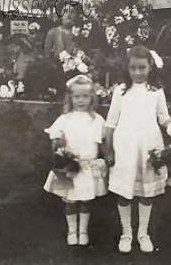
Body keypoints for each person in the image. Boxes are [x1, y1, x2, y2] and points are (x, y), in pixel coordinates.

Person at [104, 45, 171, 253]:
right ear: (127, 68)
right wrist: (108, 148)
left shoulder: (156, 91)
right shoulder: (120, 91)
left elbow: (164, 117)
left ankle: (143, 233)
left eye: (142, 68)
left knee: (146, 192)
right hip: (125, 147)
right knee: (124, 193)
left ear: (150, 66)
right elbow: (111, 122)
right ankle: (126, 233)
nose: (138, 72)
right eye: (133, 68)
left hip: (149, 147)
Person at [43, 75, 108, 246]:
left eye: (85, 96)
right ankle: (72, 230)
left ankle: (83, 231)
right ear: (70, 97)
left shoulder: (97, 120)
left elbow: (103, 144)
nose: (81, 100)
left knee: (86, 200)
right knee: (70, 200)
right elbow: (55, 141)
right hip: (70, 167)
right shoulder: (65, 119)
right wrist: (60, 146)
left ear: (91, 97)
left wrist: (105, 157)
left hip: (87, 166)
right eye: (77, 96)